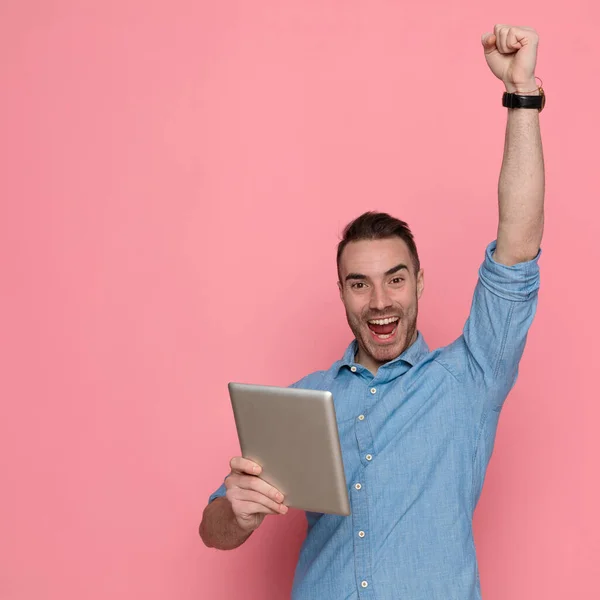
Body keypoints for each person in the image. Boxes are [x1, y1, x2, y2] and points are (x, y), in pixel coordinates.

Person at [199, 24, 545, 600]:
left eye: (395, 279)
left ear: (419, 284)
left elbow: (517, 246)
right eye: (359, 284)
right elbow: (214, 531)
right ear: (341, 293)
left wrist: (522, 94)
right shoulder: (301, 403)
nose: (380, 301)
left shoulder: (469, 378)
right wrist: (235, 512)